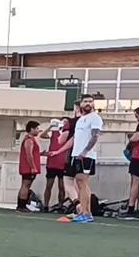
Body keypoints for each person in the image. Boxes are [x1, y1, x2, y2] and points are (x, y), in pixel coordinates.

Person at [50, 94, 102, 224]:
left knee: (81, 181)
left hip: (86, 156)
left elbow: (95, 136)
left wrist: (85, 151)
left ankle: (85, 212)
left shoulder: (95, 118)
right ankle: (86, 212)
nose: (88, 103)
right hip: (76, 155)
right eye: (85, 101)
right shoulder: (80, 120)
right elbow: (74, 139)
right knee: (81, 183)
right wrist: (59, 151)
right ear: (81, 104)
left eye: (90, 101)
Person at [42, 118, 71, 212]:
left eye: (66, 122)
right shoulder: (54, 132)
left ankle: (60, 205)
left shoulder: (68, 134)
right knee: (49, 185)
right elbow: (42, 135)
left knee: (62, 186)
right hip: (52, 163)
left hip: (63, 163)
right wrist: (51, 126)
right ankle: (46, 205)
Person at [17, 121, 42, 212]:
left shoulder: (31, 139)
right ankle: (21, 205)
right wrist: (33, 167)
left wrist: (41, 154)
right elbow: (29, 154)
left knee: (25, 185)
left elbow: (33, 153)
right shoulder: (29, 140)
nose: (38, 131)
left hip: (28, 167)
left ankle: (21, 204)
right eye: (37, 129)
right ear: (32, 129)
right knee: (25, 185)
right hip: (28, 167)